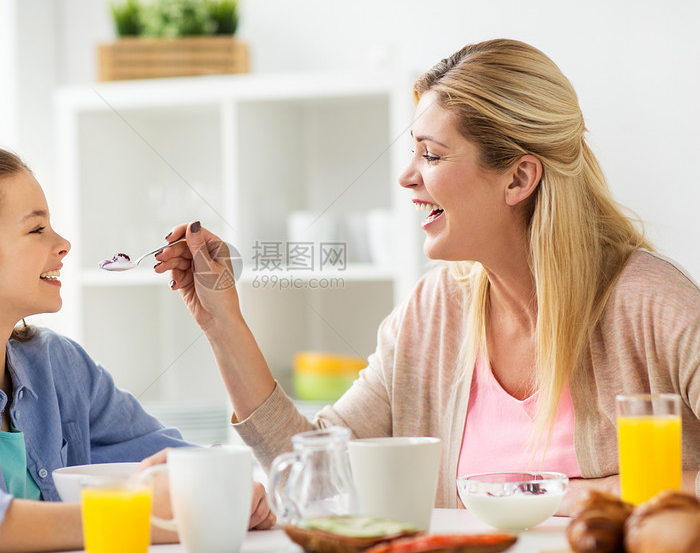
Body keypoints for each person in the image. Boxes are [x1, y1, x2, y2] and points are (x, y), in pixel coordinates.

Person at [154, 39, 700, 515]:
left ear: (518, 178)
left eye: (432, 155)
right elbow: (313, 471)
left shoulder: (654, 305)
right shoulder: (434, 312)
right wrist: (223, 320)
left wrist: (589, 496)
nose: (406, 176)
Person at [0, 143, 274, 553]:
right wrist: (123, 516)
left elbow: (175, 467)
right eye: (36, 229)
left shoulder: (59, 365)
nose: (63, 244)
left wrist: (231, 488)